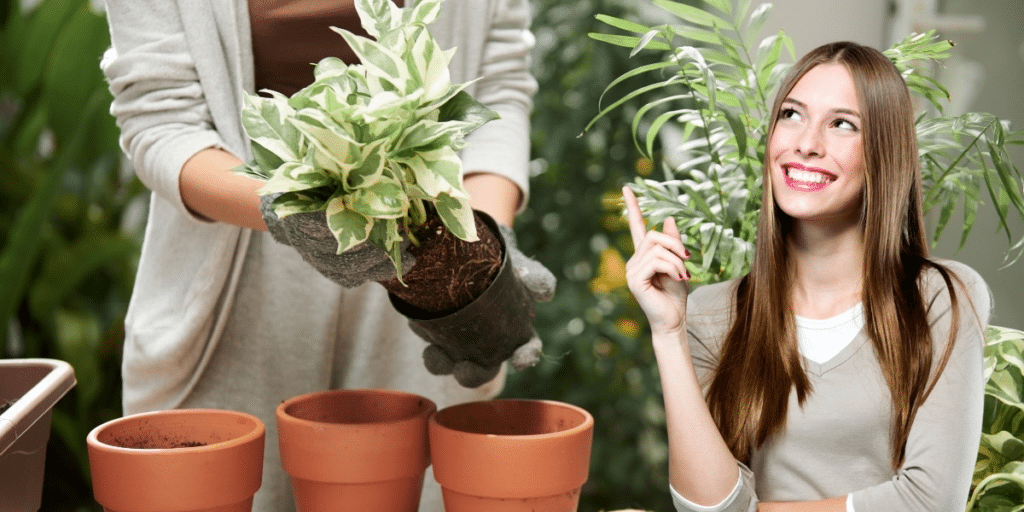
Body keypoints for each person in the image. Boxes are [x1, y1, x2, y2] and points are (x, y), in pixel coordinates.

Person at [100, 0, 548, 510]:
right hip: (232, 284)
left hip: (417, 259)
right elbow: (159, 119)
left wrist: (482, 242)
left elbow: (498, 87)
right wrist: (288, 210)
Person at [623, 41, 991, 512]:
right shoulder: (711, 314)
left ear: (884, 153)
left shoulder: (940, 298)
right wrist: (668, 333)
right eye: (792, 114)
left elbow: (930, 502)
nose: (806, 143)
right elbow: (707, 507)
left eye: (842, 124)